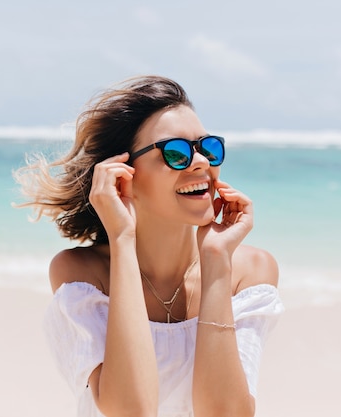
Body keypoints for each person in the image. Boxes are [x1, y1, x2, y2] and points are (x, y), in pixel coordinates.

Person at [16, 75, 283, 417]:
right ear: (123, 174)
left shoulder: (250, 271)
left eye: (208, 147)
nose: (201, 162)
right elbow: (131, 410)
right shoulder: (83, 274)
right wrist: (122, 239)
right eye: (176, 153)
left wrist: (217, 260)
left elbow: (225, 414)